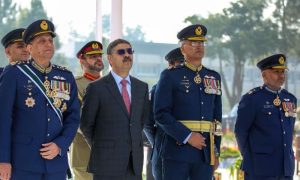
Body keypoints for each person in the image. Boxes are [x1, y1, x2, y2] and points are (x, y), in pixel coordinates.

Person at [0, 19, 80, 180]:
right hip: (22, 163)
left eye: (50, 40)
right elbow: (3, 119)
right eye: (42, 41)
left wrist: (60, 144)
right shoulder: (14, 74)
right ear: (29, 47)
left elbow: (73, 117)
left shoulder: (66, 76)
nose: (48, 44)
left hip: (55, 163)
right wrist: (3, 160)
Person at [154, 24, 222, 180]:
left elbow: (217, 119)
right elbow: (161, 114)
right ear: (182, 48)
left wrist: (216, 152)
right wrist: (188, 136)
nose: (198, 46)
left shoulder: (213, 77)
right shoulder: (170, 76)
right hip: (178, 151)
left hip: (205, 154)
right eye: (193, 43)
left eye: (201, 43)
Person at [80, 38, 150, 180]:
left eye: (130, 51)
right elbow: (86, 125)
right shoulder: (96, 88)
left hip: (134, 164)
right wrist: (103, 146)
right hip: (106, 163)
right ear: (110, 58)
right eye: (121, 52)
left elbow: (140, 122)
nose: (127, 55)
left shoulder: (142, 87)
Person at [235, 54, 297, 180]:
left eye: (282, 72)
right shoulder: (252, 99)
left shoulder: (290, 99)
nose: (281, 76)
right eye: (276, 72)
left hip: (285, 168)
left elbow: (289, 131)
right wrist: (250, 157)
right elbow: (240, 131)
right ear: (264, 75)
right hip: (260, 168)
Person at [144, 47, 184, 180]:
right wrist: (158, 142)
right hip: (165, 152)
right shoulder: (159, 89)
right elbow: (147, 122)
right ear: (170, 66)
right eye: (180, 64)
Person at [69, 41, 104, 180]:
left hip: (110, 152)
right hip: (85, 153)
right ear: (82, 59)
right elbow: (77, 119)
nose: (98, 59)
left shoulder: (111, 83)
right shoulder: (75, 84)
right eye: (93, 56)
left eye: (99, 55)